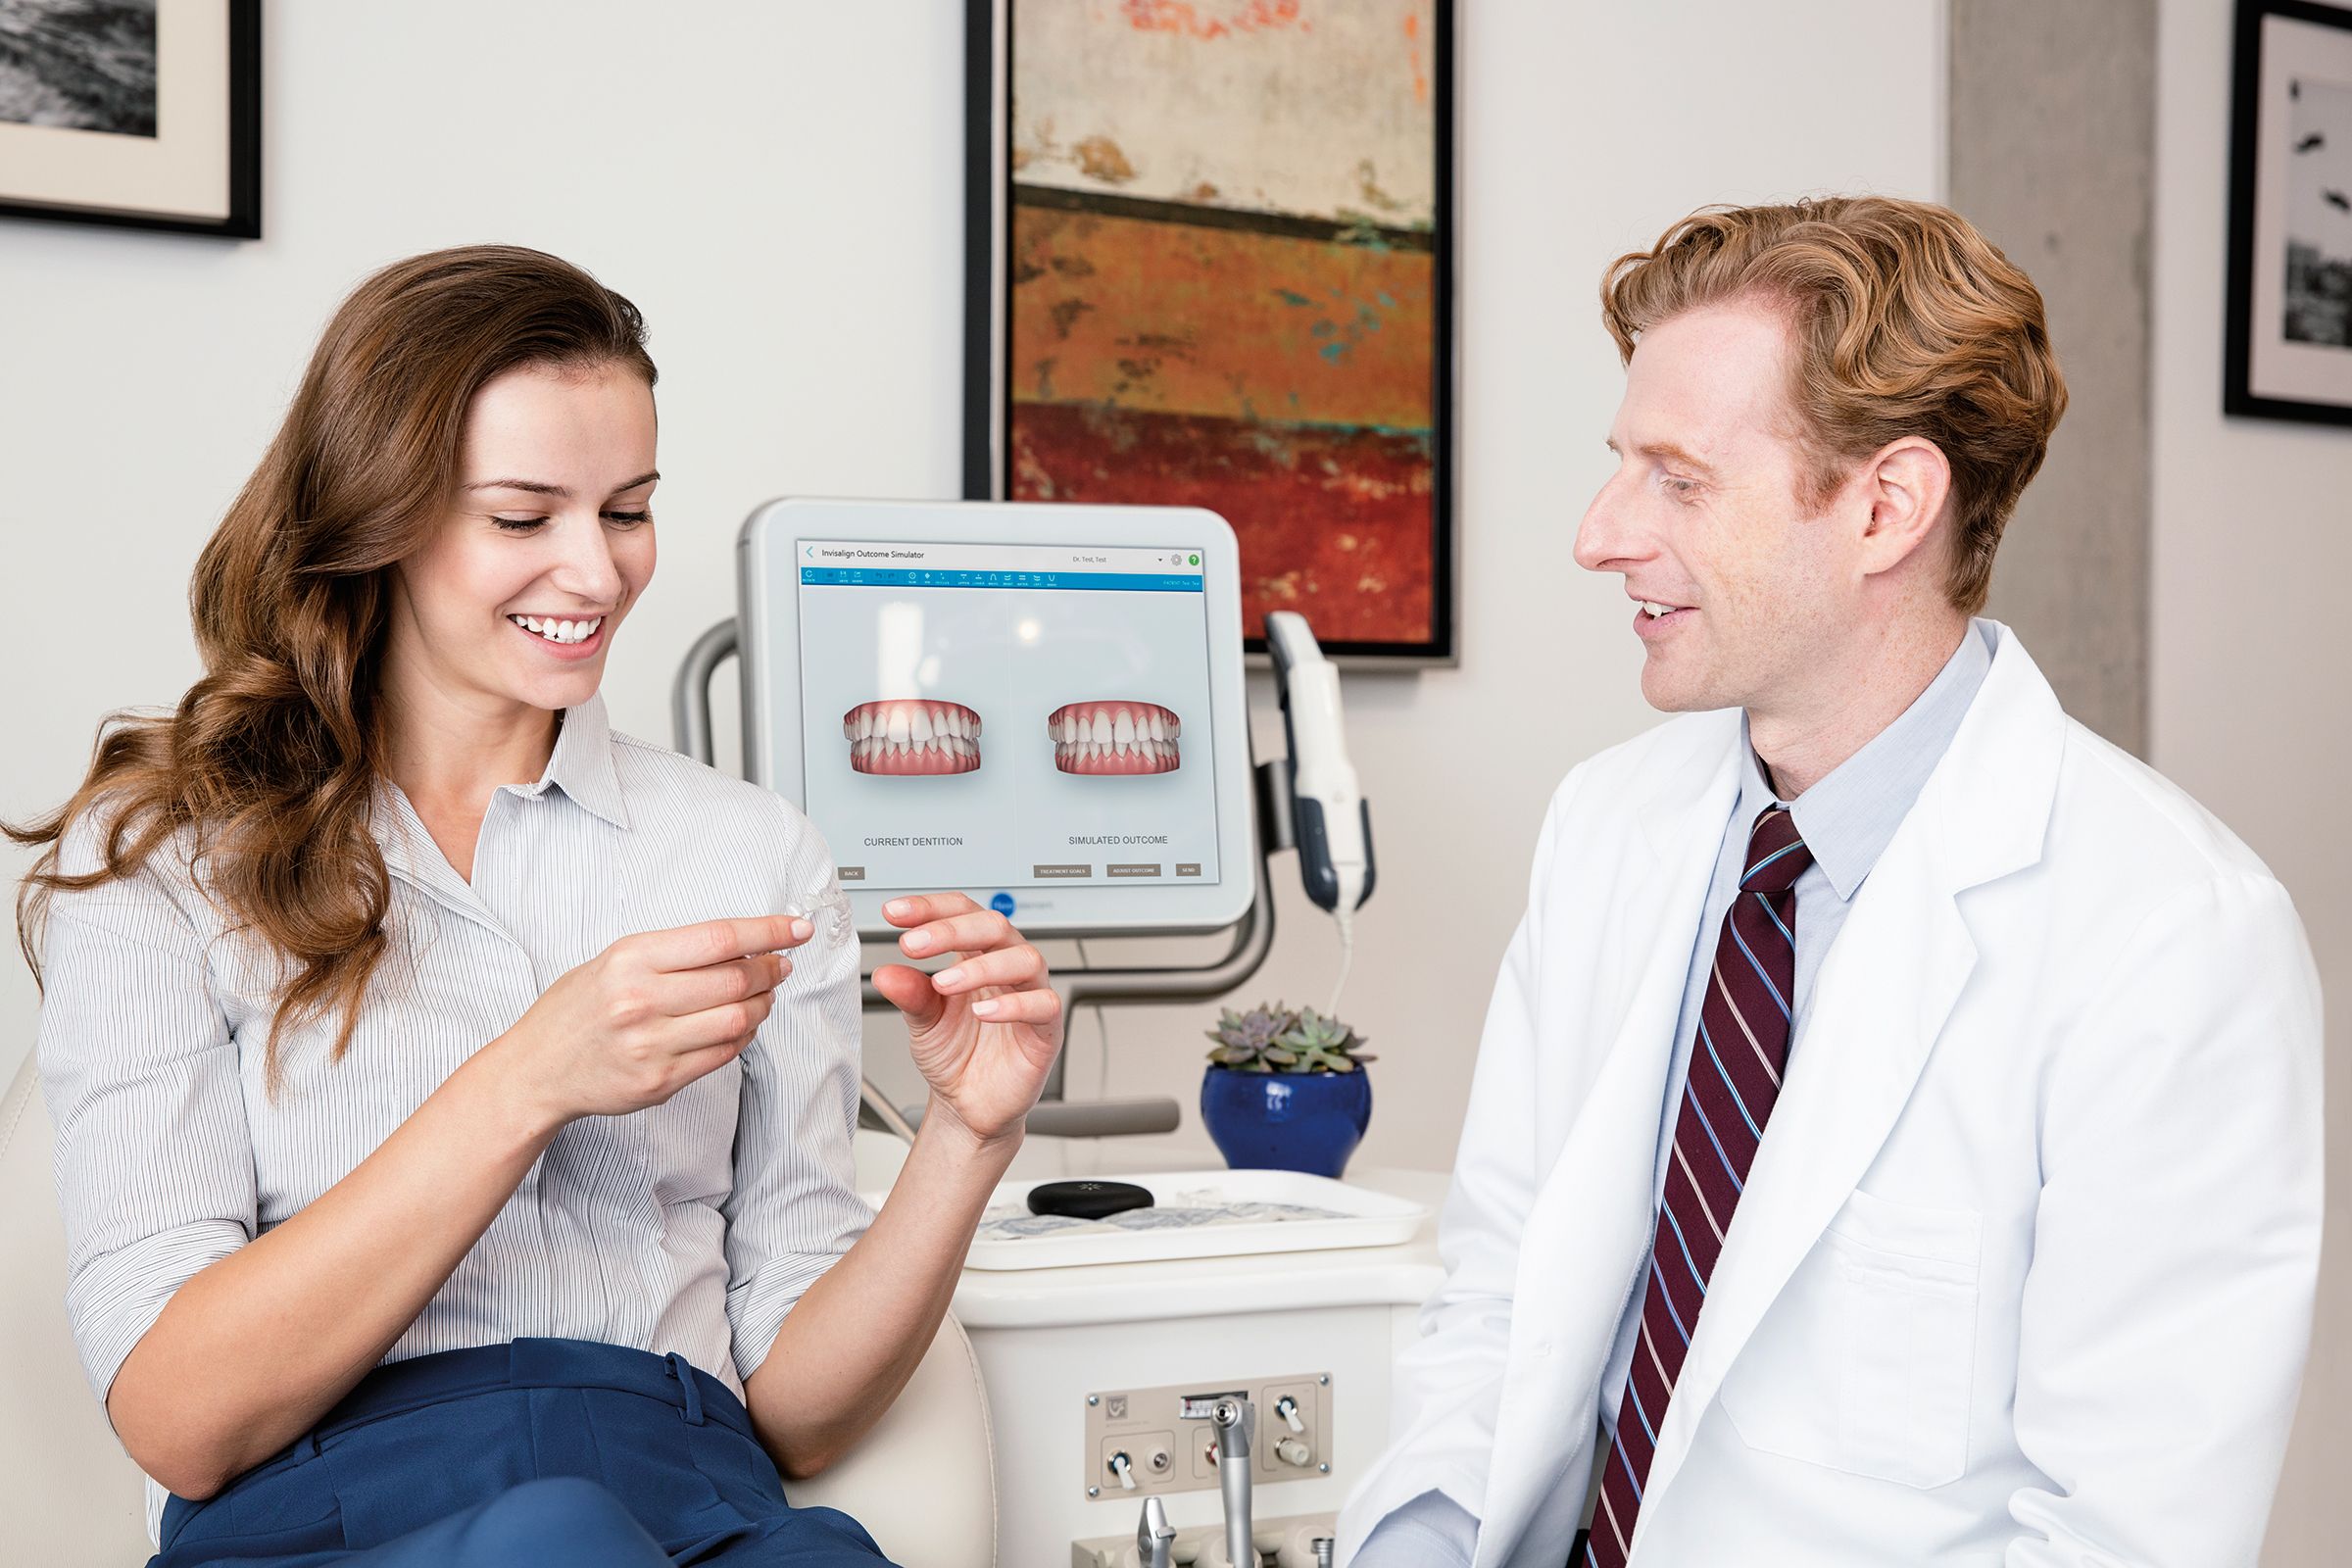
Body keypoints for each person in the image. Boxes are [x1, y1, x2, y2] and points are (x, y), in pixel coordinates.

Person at [9, 246, 1064, 1566]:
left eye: (627, 511)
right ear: (374, 516)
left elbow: (797, 1415)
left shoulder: (749, 855)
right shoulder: (169, 851)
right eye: (522, 518)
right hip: (336, 1516)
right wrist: (530, 1079)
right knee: (553, 1539)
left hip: (691, 1491)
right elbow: (179, 1418)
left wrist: (967, 1136)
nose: (598, 574)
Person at [1341, 197, 2324, 1567]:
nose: (1599, 533)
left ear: (1886, 507)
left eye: (1678, 479)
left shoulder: (2172, 936)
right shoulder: (1608, 829)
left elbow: (2123, 1537)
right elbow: (1501, 1299)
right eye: (1622, 466)